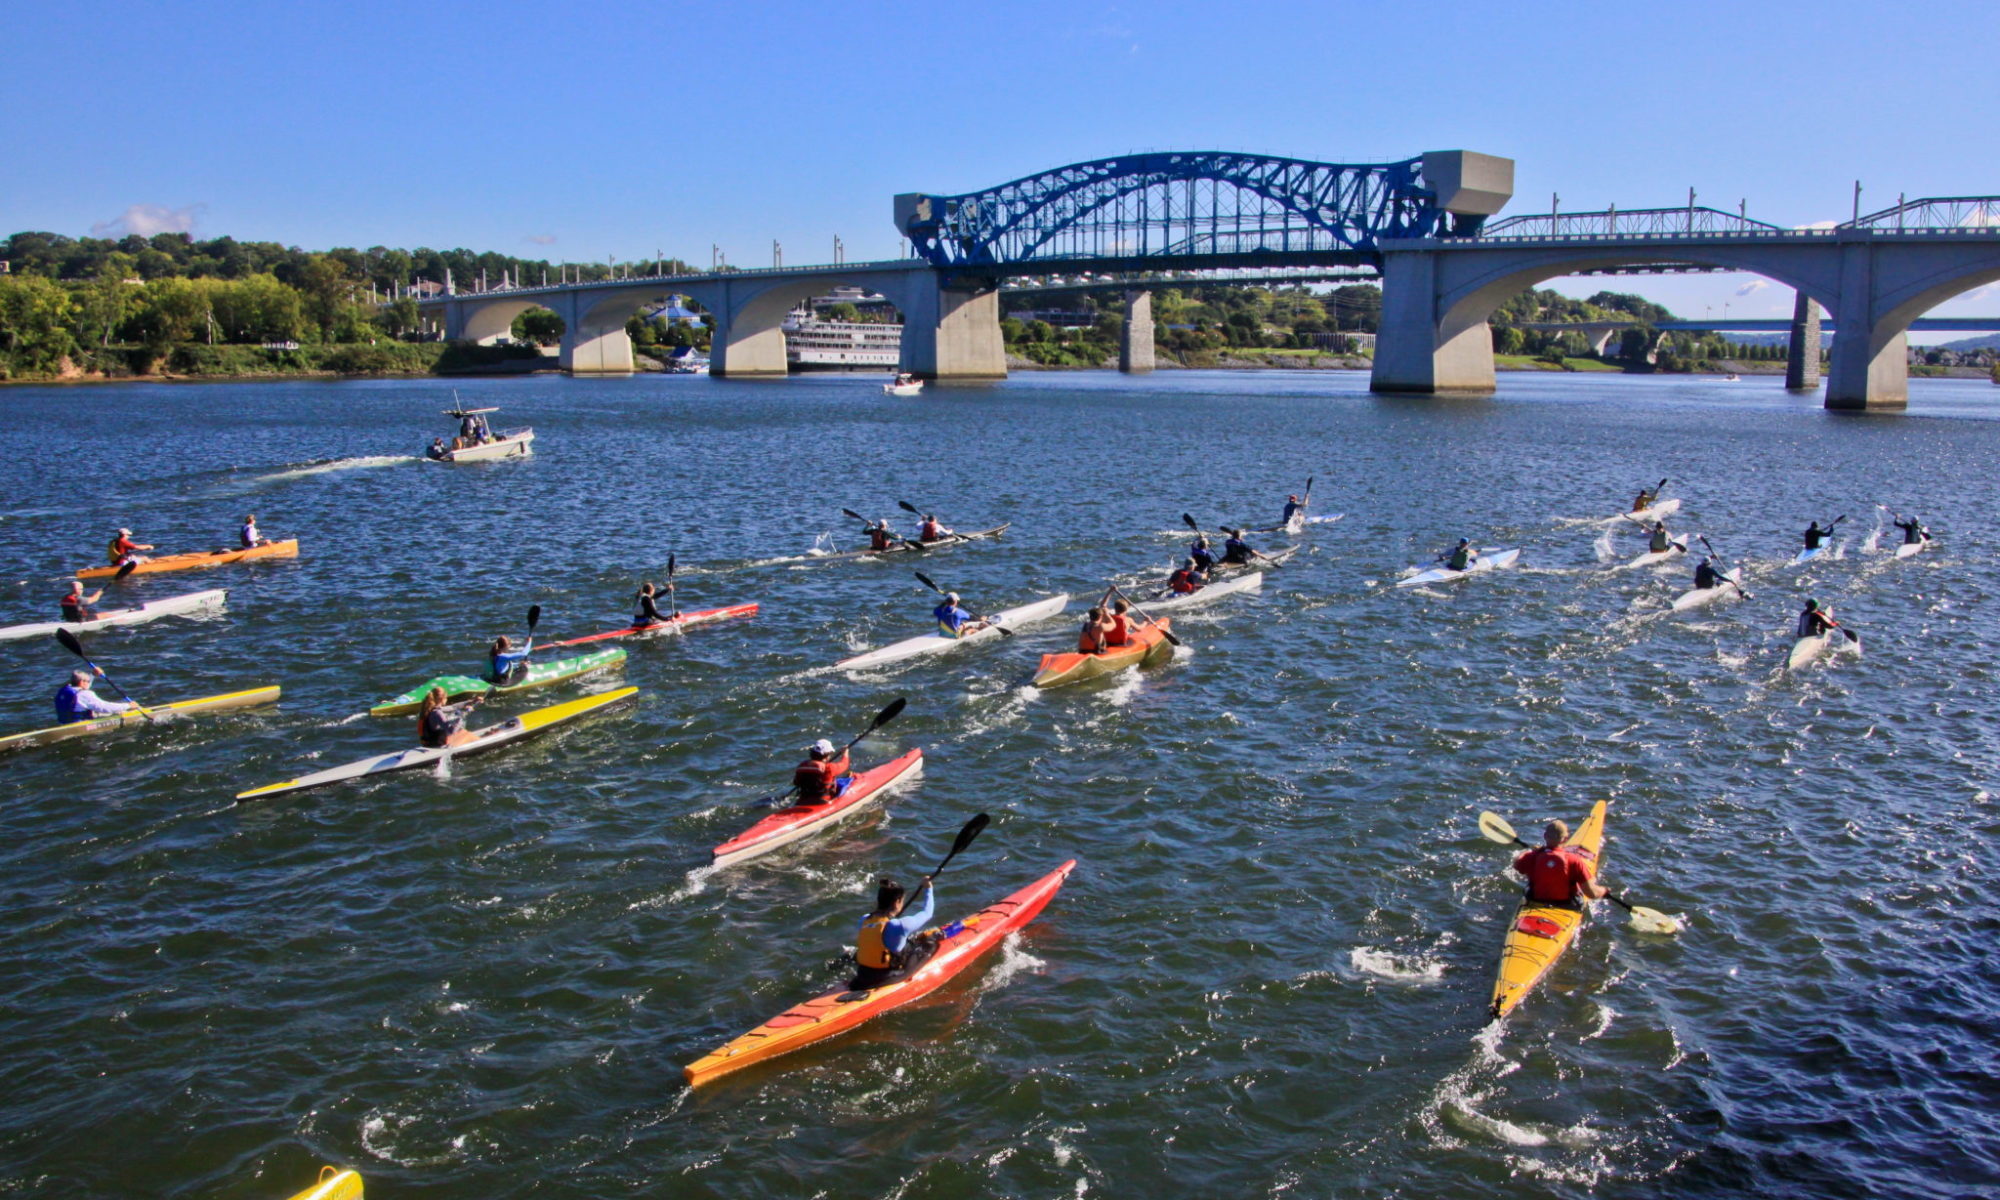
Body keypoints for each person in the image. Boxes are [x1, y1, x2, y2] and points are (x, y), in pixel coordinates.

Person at [851, 875, 939, 990]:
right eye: (902, 900)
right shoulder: (898, 925)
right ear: (897, 903)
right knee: (930, 944)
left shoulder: (864, 919)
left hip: (862, 975)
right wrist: (928, 888)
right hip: (885, 977)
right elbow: (927, 913)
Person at [1513, 819, 1608, 907]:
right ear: (1565, 839)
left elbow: (1516, 864)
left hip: (1536, 901)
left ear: (1545, 836)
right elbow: (1591, 893)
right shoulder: (1575, 860)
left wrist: (1528, 852)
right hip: (1566, 905)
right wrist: (1604, 891)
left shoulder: (1532, 856)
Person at [54, 668, 133, 725]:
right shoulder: (84, 694)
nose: (89, 683)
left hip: (64, 722)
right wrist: (128, 705)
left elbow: (81, 690)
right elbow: (104, 707)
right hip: (81, 724)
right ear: (82, 682)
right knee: (119, 711)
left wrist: (93, 675)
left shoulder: (65, 689)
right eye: (88, 681)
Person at [792, 738, 852, 806]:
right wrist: (845, 753)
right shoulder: (828, 768)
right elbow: (844, 765)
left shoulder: (801, 766)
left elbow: (796, 782)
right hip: (822, 802)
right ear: (827, 755)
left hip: (803, 801)